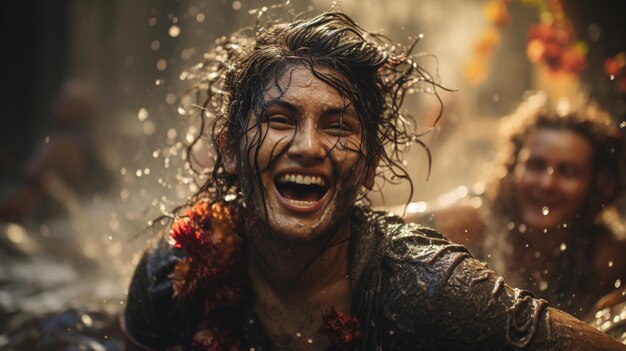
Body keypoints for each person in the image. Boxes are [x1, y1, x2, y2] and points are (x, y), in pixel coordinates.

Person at [123, 12, 625, 350]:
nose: (308, 146)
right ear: (229, 149)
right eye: (280, 119)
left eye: (338, 126)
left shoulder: (427, 287)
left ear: (368, 166)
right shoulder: (170, 278)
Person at [407, 92, 626, 319]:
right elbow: (386, 226)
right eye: (535, 165)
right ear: (512, 168)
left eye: (568, 171)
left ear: (594, 183)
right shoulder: (474, 220)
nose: (547, 183)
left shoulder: (606, 255)